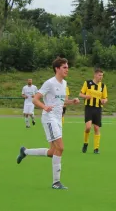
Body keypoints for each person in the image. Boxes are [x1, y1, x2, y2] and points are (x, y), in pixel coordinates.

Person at [16, 57, 80, 189]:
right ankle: (56, 182)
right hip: (49, 118)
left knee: (52, 151)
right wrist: (44, 107)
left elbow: (61, 101)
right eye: (64, 67)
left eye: (67, 67)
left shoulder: (64, 83)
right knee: (60, 148)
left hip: (58, 119)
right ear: (57, 69)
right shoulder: (49, 83)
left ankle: (25, 152)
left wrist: (72, 101)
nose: (67, 69)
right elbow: (35, 99)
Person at [80, 68, 108, 154]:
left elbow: (105, 98)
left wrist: (104, 101)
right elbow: (80, 94)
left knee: (96, 128)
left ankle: (96, 148)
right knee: (88, 127)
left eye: (102, 76)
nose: (101, 77)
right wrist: (85, 97)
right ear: (95, 75)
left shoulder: (103, 86)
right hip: (89, 107)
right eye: (99, 75)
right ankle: (85, 143)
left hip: (98, 109)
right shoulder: (87, 83)